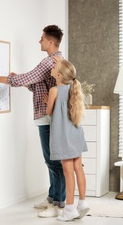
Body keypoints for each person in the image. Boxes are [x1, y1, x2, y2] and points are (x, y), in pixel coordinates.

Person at [0, 25, 66, 218]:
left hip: (48, 116)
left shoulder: (49, 62)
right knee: (51, 161)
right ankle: (52, 197)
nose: (40, 41)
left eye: (42, 38)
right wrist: (21, 80)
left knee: (53, 161)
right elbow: (36, 85)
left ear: (51, 42)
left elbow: (29, 77)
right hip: (46, 116)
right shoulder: (55, 61)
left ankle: (59, 204)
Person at [43, 59, 90, 222]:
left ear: (58, 74)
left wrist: (46, 102)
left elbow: (49, 112)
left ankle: (69, 209)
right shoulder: (74, 88)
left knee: (68, 173)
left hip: (63, 136)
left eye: (55, 67)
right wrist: (61, 61)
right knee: (79, 169)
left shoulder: (54, 90)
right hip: (76, 134)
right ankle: (82, 203)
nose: (52, 68)